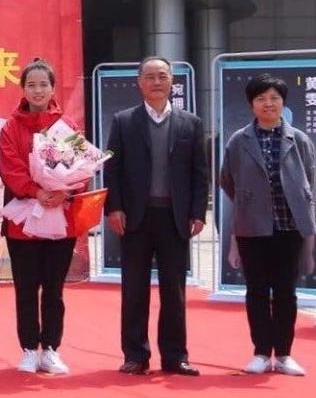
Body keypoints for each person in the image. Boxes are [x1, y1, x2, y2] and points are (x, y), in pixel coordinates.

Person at [103, 55, 209, 376]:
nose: (157, 82)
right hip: (136, 217)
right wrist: (114, 207)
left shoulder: (191, 123)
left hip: (175, 218)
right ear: (139, 82)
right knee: (134, 289)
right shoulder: (124, 121)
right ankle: (135, 355)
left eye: (162, 76)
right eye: (150, 76)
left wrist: (197, 212)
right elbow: (113, 169)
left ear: (172, 81)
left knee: (174, 291)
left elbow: (200, 173)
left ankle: (175, 357)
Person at [220, 73, 316, 377]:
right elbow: (227, 180)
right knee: (257, 291)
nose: (268, 103)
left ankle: (284, 354)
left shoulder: (299, 140)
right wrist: (250, 201)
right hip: (252, 228)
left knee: (286, 292)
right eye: (261, 98)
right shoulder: (239, 141)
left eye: (274, 98)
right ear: (252, 104)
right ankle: (261, 352)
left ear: (283, 102)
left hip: (289, 227)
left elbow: (310, 178)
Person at [0, 59, 79, 375]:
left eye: (44, 84)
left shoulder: (67, 126)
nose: (38, 90)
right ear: (23, 89)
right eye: (31, 85)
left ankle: (51, 349)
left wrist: (64, 191)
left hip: (60, 217)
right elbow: (10, 168)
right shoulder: (11, 127)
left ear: (53, 88)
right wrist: (35, 190)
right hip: (23, 221)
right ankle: (29, 349)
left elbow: (80, 168)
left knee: (54, 289)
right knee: (26, 287)